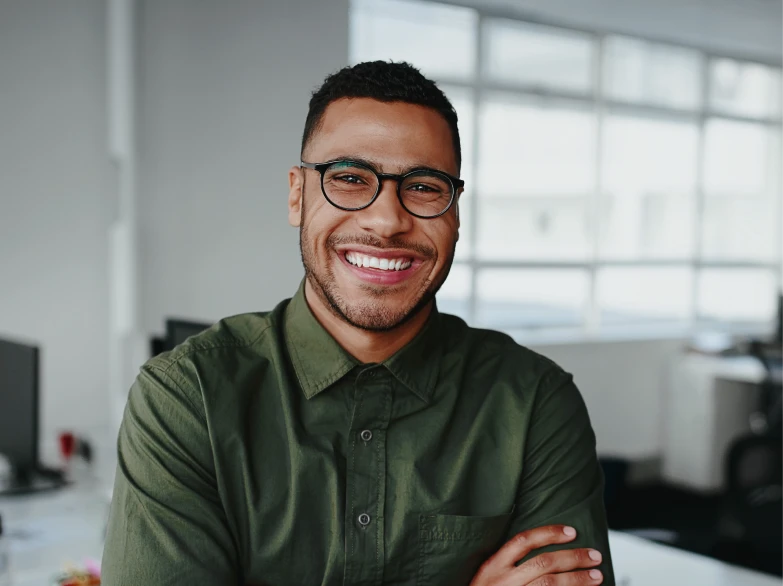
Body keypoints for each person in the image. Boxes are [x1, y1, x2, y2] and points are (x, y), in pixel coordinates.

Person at [101, 61, 615, 586]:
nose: (387, 220)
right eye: (350, 179)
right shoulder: (188, 397)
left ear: (457, 213)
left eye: (424, 187)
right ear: (297, 195)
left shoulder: (534, 402)